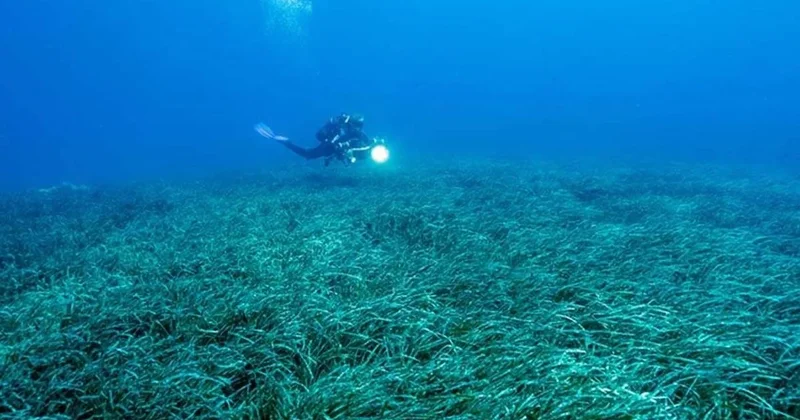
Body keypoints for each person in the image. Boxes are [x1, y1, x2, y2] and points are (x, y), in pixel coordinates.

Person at [255, 113, 374, 166]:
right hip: (330, 144)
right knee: (308, 154)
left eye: (360, 126)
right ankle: (285, 141)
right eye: (355, 125)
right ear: (351, 123)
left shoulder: (358, 132)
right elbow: (334, 142)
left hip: (338, 147)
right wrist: (339, 150)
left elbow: (366, 141)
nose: (357, 128)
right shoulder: (341, 129)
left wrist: (375, 144)